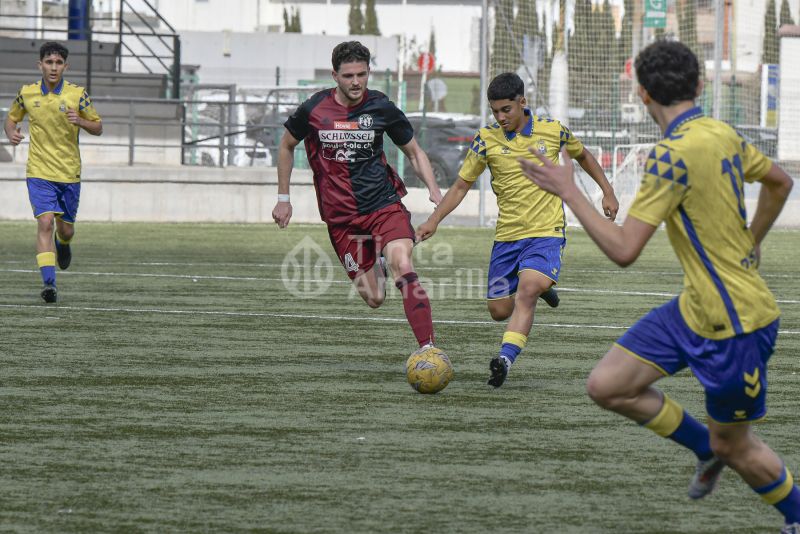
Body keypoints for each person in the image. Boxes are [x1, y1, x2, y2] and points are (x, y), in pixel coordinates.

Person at [519, 40, 798, 532]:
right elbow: (780, 182)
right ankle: (703, 450)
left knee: (737, 446)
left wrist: (569, 192)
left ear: (642, 93)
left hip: (736, 326)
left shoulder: (669, 157)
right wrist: (751, 242)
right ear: (700, 85)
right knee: (607, 385)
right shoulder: (722, 132)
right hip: (696, 309)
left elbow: (624, 250)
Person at [416, 72, 618, 387]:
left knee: (525, 293)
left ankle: (505, 360)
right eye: (495, 111)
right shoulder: (486, 138)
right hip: (507, 237)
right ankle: (541, 285)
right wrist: (434, 220)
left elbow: (584, 156)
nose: (500, 117)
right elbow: (460, 187)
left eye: (506, 110)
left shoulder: (553, 131)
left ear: (522, 102)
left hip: (546, 233)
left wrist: (607, 190)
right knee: (498, 310)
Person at [271, 41, 443, 350]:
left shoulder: (381, 107)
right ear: (334, 75)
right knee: (375, 297)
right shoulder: (313, 109)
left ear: (368, 73)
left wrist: (433, 189)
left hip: (383, 204)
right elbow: (286, 146)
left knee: (403, 264)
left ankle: (428, 349)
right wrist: (283, 199)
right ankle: (377, 257)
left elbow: (414, 152)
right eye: (349, 76)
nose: (356, 82)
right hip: (342, 219)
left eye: (362, 75)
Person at [4, 41, 103, 303]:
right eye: (49, 62)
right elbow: (12, 117)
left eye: (58, 63)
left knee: (65, 229)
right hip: (38, 171)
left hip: (69, 173)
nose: (53, 67)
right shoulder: (27, 93)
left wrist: (80, 121)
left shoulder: (77, 94)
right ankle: (49, 284)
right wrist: (10, 132)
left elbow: (98, 126)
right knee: (45, 222)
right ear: (40, 65)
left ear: (65, 66)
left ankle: (65, 244)